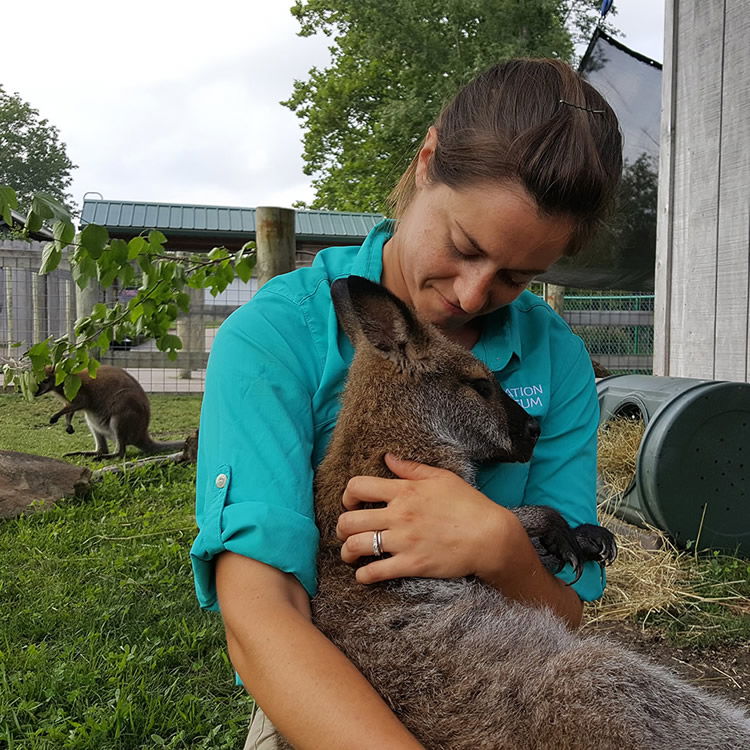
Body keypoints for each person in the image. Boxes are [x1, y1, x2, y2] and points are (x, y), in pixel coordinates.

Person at [191, 58, 623, 749]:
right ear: (427, 161)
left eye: (517, 276)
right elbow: (260, 616)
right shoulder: (278, 336)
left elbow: (563, 616)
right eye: (462, 246)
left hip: (503, 662)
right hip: (336, 689)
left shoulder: (557, 358)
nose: (474, 295)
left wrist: (497, 541)